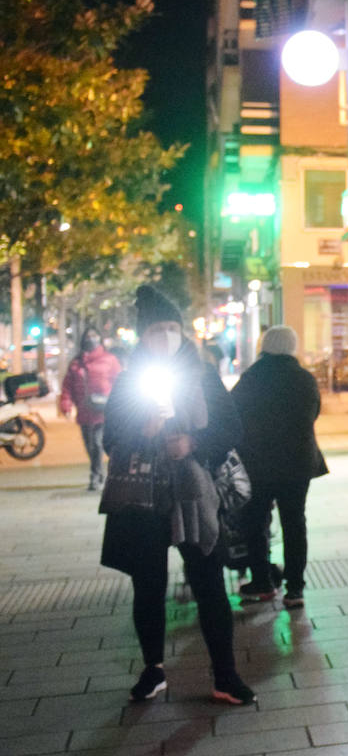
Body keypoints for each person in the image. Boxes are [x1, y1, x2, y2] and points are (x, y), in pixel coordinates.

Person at [99, 285, 254, 705]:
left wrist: (194, 444)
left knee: (209, 582)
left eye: (172, 328)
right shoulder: (131, 380)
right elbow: (111, 438)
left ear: (183, 332)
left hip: (193, 495)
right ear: (142, 336)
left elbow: (231, 429)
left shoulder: (202, 375)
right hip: (142, 497)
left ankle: (225, 674)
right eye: (156, 330)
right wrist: (143, 431)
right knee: (147, 584)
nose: (165, 336)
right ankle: (153, 669)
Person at [230, 325, 327, 608]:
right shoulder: (304, 379)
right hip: (298, 463)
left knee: (256, 522)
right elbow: (314, 413)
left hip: (258, 463)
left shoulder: (250, 379)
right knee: (295, 523)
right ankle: (295, 589)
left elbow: (234, 414)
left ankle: (262, 582)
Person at [60, 327, 122, 490]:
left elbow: (121, 382)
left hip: (104, 411)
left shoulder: (110, 360)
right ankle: (99, 474)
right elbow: (68, 386)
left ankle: (95, 478)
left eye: (94, 335)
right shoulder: (76, 363)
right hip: (84, 411)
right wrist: (66, 405)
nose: (91, 339)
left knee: (97, 444)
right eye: (88, 336)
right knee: (90, 446)